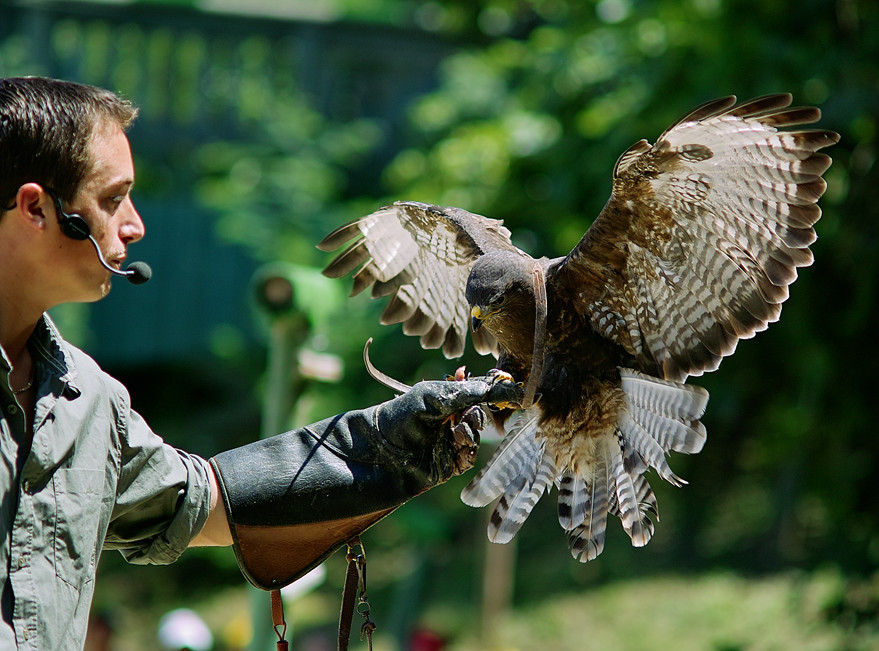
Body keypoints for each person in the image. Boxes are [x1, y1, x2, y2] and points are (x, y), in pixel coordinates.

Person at [0, 76, 518, 649]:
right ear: (36, 209)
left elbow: (195, 504)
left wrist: (383, 447)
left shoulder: (84, 397)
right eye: (113, 198)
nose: (135, 225)